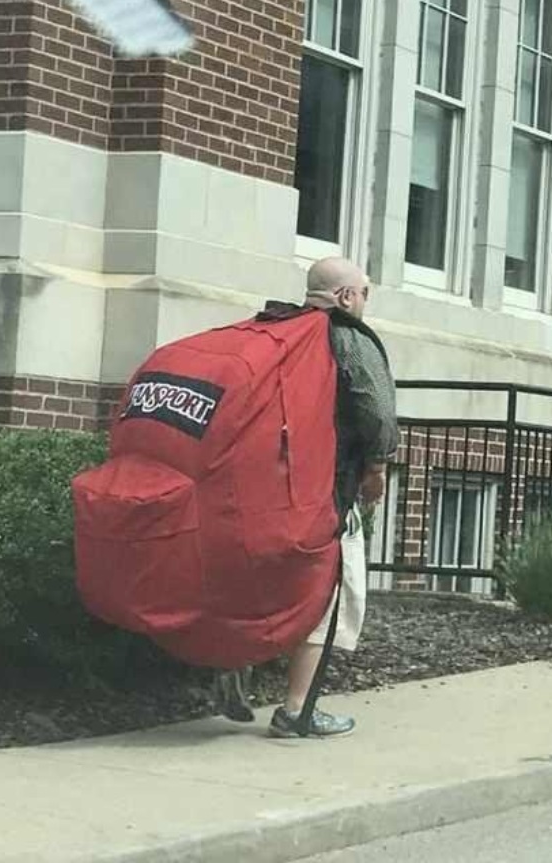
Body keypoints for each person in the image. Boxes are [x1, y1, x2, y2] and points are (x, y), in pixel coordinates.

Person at [215, 257, 398, 739]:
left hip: (263, 489)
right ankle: (297, 710)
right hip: (324, 494)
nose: (364, 300)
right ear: (345, 297)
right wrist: (376, 468)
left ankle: (233, 665)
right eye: (364, 291)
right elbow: (376, 410)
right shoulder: (349, 339)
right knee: (328, 592)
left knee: (267, 585)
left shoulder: (279, 329)